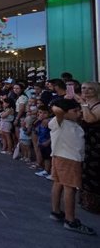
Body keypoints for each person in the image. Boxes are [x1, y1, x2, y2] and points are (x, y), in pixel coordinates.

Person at [48, 98, 96, 235]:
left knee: (58, 183)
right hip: (68, 159)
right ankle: (70, 220)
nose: (79, 113)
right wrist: (67, 101)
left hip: (61, 157)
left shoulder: (70, 123)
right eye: (75, 111)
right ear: (65, 113)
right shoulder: (60, 122)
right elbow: (56, 109)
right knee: (70, 188)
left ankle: (56, 211)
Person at [76, 82, 100, 214]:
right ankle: (86, 200)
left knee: (94, 173)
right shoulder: (85, 104)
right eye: (84, 88)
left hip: (96, 145)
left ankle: (94, 203)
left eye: (90, 88)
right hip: (85, 143)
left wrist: (83, 104)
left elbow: (90, 119)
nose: (86, 91)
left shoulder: (97, 105)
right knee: (84, 172)